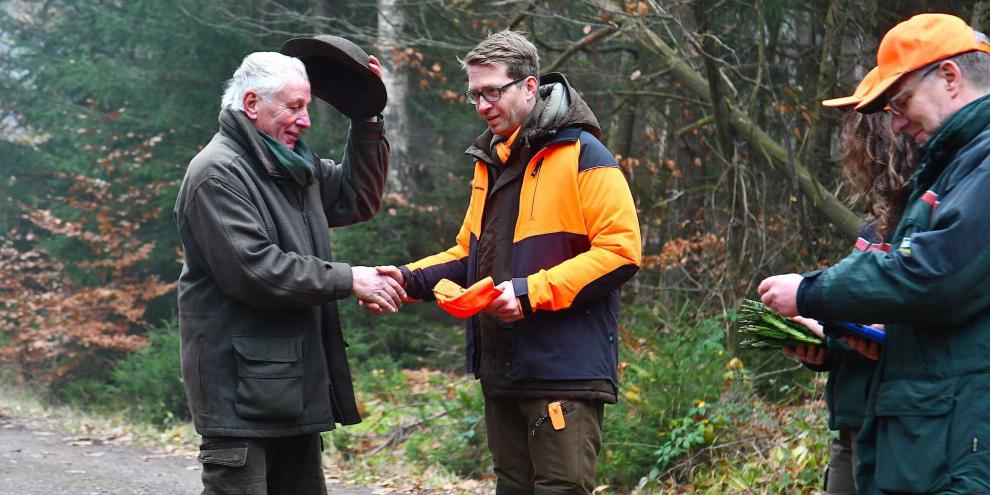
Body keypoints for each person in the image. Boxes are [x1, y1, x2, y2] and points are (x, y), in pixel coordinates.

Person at [369, 30, 640, 495]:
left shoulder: (584, 154)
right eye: (474, 94)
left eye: (493, 91)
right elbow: (468, 256)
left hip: (563, 374)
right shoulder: (491, 162)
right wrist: (407, 278)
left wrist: (529, 293)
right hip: (502, 372)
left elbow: (621, 251)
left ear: (530, 87)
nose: (482, 104)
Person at [758, 13, 990, 494]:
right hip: (929, 441)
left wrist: (811, 292)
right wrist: (846, 336)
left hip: (958, 446)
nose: (896, 124)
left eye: (901, 102)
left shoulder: (980, 164)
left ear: (949, 77)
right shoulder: (956, 167)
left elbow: (933, 278)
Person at [174, 38, 404, 495]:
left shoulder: (293, 168)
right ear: (252, 103)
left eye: (308, 106)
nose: (305, 119)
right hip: (239, 397)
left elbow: (359, 196)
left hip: (288, 389)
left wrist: (367, 117)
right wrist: (349, 278)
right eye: (294, 107)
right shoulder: (217, 174)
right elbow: (255, 271)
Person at [785, 108, 916, 495]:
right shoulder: (871, 230)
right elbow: (856, 313)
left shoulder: (921, 225)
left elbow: (903, 317)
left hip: (893, 423)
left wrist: (835, 332)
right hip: (849, 420)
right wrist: (821, 347)